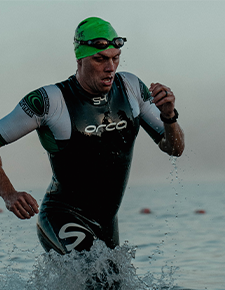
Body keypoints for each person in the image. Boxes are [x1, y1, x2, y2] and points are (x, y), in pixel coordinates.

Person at [0, 17, 184, 256]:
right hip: (61, 216)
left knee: (114, 285)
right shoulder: (50, 101)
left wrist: (169, 116)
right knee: (99, 277)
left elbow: (175, 148)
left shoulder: (131, 88)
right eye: (100, 59)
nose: (110, 67)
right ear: (80, 59)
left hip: (107, 222)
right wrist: (8, 193)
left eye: (115, 58)